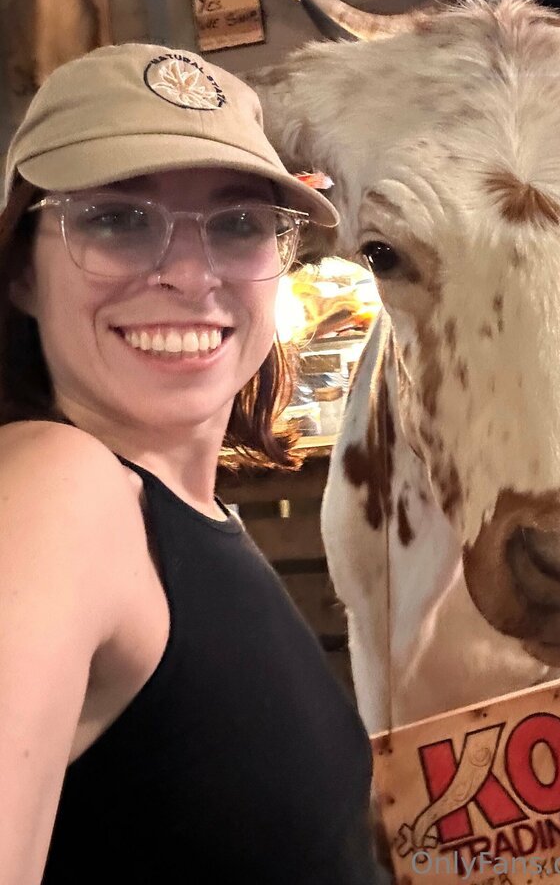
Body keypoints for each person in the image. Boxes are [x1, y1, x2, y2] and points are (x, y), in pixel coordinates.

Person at [0, 45, 386, 884]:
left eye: (238, 224)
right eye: (116, 219)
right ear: (22, 271)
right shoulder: (56, 489)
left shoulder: (191, 514)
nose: (187, 273)